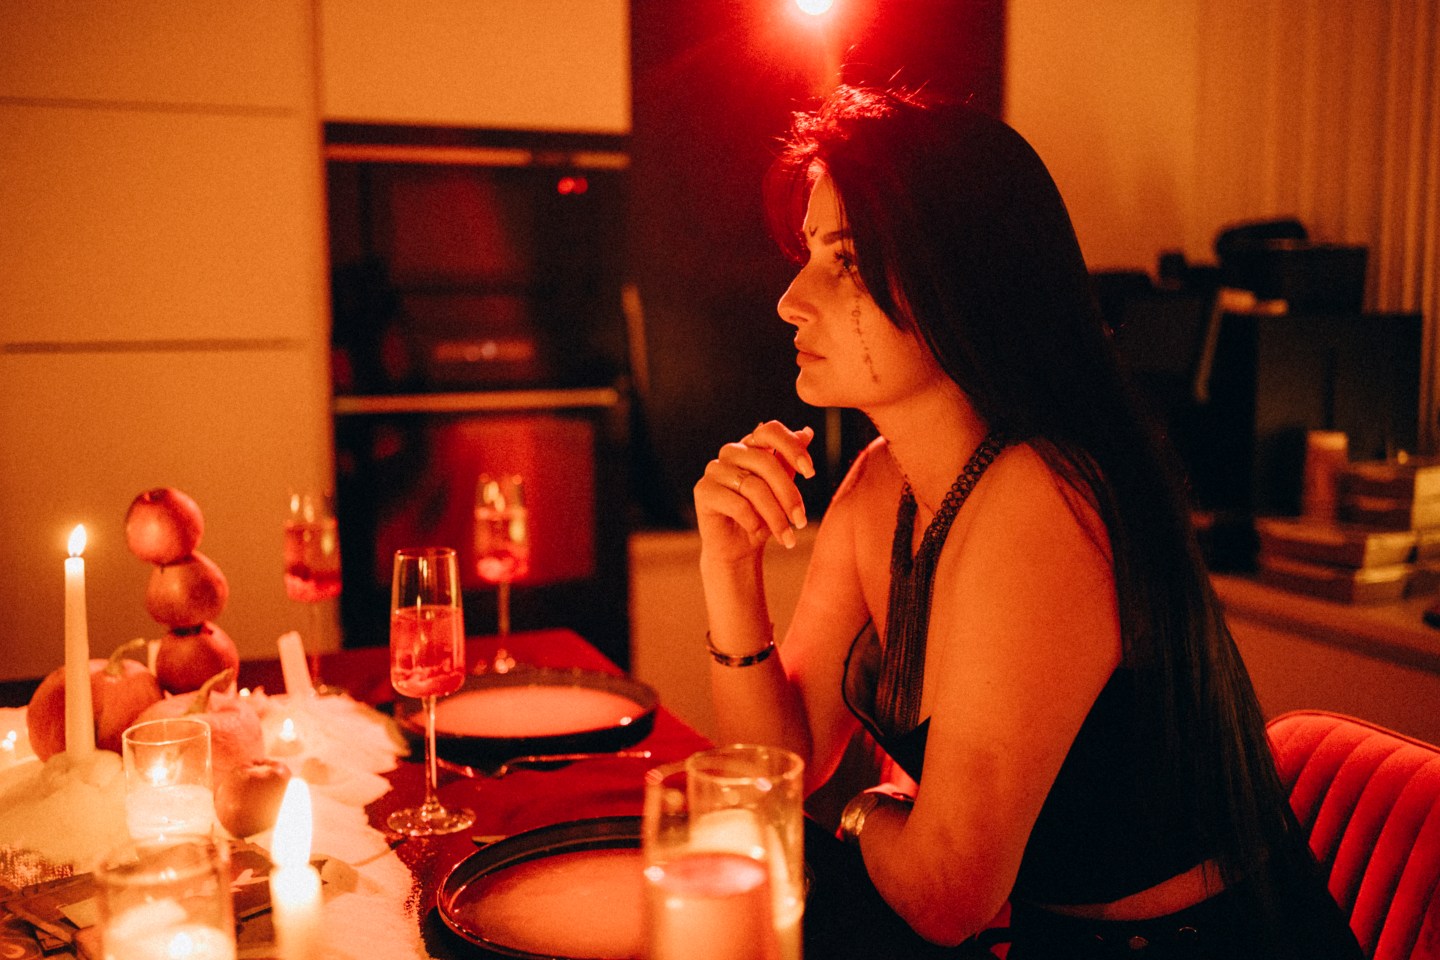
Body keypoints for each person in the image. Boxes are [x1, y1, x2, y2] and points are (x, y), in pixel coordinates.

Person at [691, 85, 1363, 959]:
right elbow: (775, 769)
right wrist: (727, 567)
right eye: (812, 252)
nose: (791, 297)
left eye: (845, 260)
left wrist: (861, 811)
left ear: (958, 281)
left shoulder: (1043, 499)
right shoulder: (875, 487)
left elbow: (946, 896)